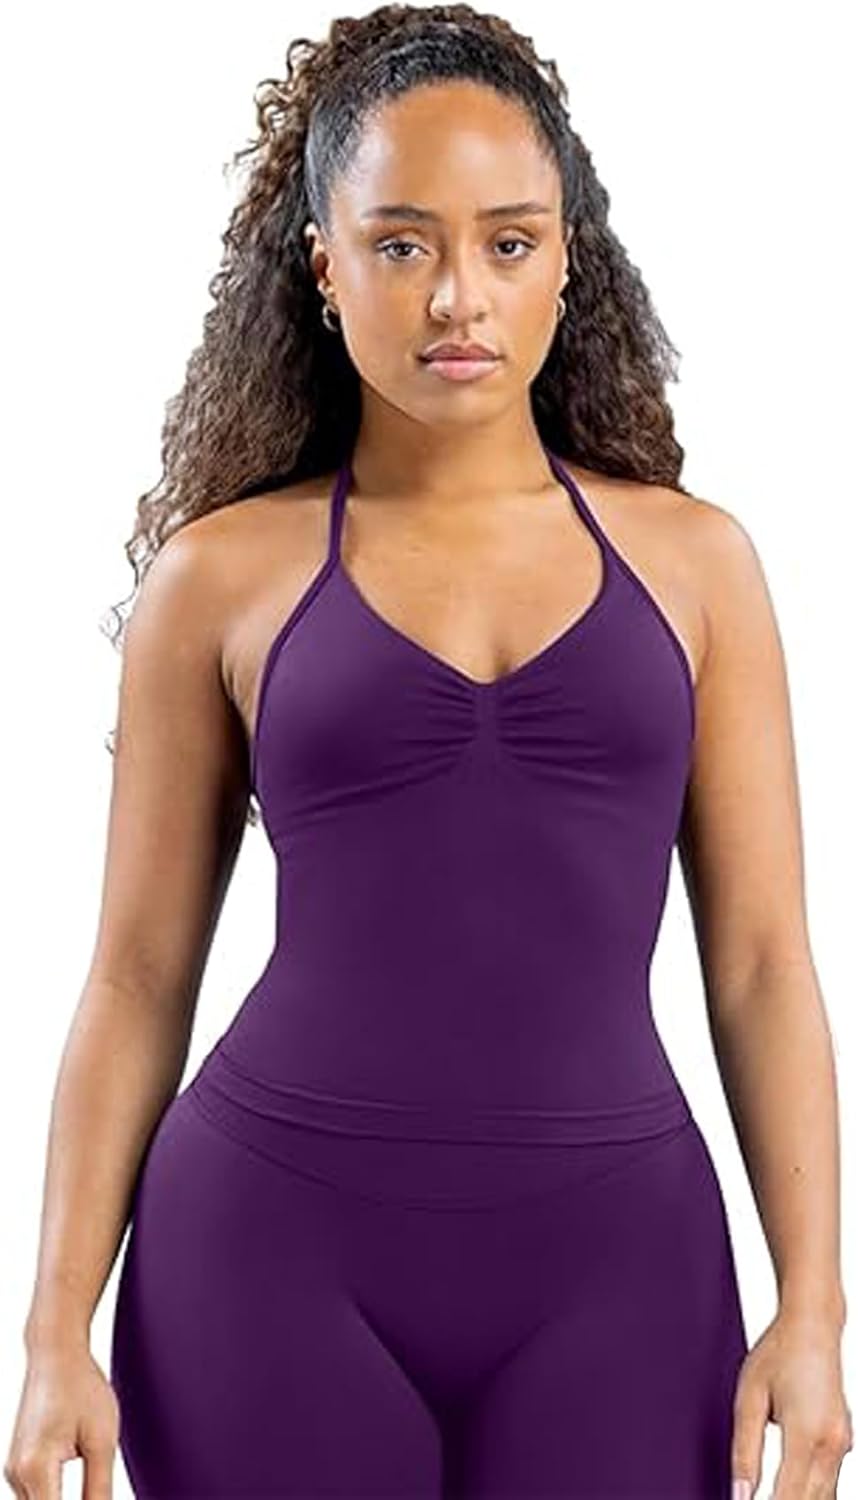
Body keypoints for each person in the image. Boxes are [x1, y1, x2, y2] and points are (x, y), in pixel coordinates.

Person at [5, 6, 852, 1498]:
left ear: (566, 258)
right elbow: (136, 973)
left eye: (507, 242)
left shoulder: (697, 565)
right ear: (322, 265)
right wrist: (53, 1331)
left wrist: (815, 1307)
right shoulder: (218, 577)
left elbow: (765, 963)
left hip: (620, 1267)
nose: (459, 296)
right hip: (266, 1258)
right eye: (400, 245)